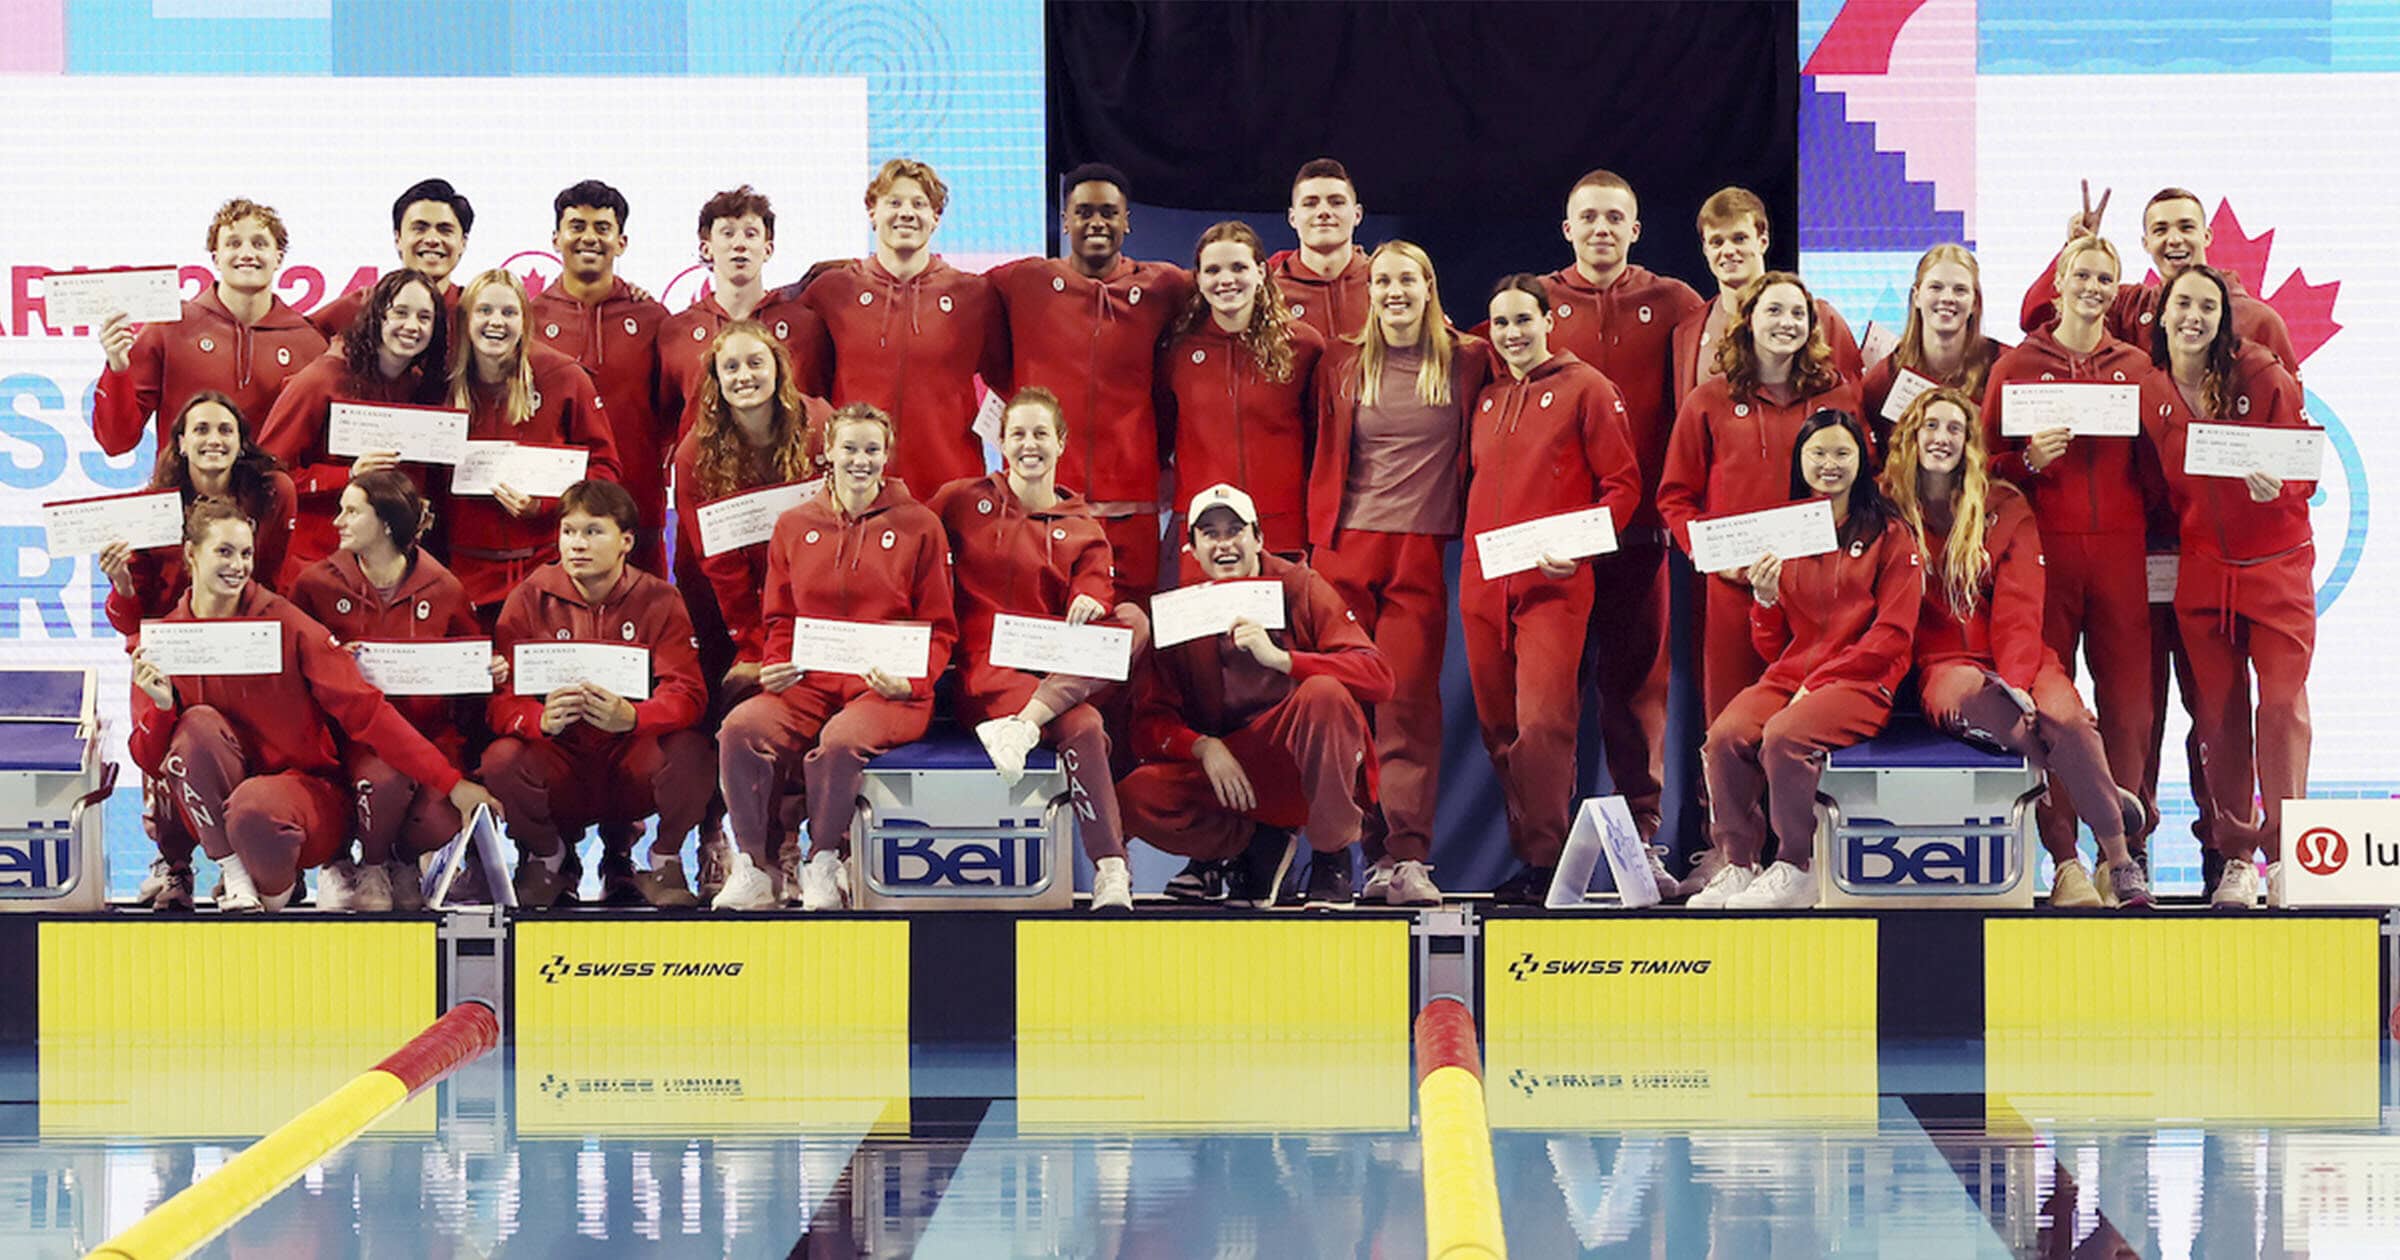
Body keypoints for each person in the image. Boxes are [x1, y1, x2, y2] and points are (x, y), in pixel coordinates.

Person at [127, 500, 502, 912]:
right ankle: (234, 875)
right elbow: (148, 759)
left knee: (255, 808)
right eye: (224, 551)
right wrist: (162, 710)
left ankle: (272, 892)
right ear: (190, 553)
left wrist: (452, 782)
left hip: (299, 800)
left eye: (247, 553)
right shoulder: (164, 641)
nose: (238, 565)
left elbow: (367, 713)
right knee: (194, 726)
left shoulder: (289, 624)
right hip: (220, 818)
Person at [1880, 388, 2151, 908]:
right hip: (1946, 667)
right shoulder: (1886, 506)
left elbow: (2020, 608)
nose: (1941, 439)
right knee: (1991, 705)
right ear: (1911, 436)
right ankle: (2100, 797)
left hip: (2019, 656)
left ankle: (2119, 860)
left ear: (1970, 443)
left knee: (2065, 720)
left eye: (1954, 429)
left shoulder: (2004, 504)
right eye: (1930, 427)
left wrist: (2021, 681)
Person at [713, 404, 956, 911]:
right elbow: (780, 616)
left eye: (872, 449)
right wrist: (776, 665)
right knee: (741, 728)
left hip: (887, 687)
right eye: (849, 448)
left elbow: (939, 628)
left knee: (839, 742)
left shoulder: (921, 526)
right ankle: (756, 867)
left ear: (887, 456)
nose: (860, 460)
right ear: (827, 452)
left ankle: (824, 860)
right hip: (808, 682)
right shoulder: (794, 524)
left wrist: (911, 682)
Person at [1307, 241, 1488, 905]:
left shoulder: (1469, 359)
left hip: (1417, 550)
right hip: (1343, 551)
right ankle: (1348, 851)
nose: (1393, 291)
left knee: (1408, 707)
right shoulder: (1341, 360)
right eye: (1381, 280)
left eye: (1406, 279)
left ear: (1428, 284)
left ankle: (1405, 857)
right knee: (1344, 712)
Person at [931, 387, 1155, 911]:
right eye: (1017, 435)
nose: (1028, 445)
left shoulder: (1083, 527)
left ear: (1061, 443)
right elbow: (909, 535)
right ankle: (1111, 862)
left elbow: (1099, 586)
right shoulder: (961, 501)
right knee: (1083, 725)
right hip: (985, 674)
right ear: (1001, 443)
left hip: (1053, 673)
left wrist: (1089, 600)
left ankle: (1110, 870)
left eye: (1040, 434)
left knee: (1132, 622)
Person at [1118, 483, 1393, 907]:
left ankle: (1331, 856)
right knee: (1137, 795)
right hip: (1239, 772)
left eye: (1235, 531)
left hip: (1309, 766)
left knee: (1325, 693)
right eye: (1210, 534)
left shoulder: (1300, 586)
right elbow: (1149, 723)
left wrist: (1285, 660)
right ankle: (1252, 845)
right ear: (1191, 548)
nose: (1225, 544)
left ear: (1259, 538)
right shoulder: (1181, 613)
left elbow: (1377, 676)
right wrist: (1203, 747)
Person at [1540, 169, 1707, 858]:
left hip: (1641, 535)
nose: (1602, 229)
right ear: (1568, 228)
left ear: (1635, 230)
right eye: (1590, 217)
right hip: (1555, 543)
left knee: (1638, 693)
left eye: (1615, 218)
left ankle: (1641, 841)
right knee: (1544, 704)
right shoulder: (1535, 303)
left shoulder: (1674, 301)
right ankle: (1543, 852)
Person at [1982, 236, 2158, 883]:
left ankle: (2127, 852)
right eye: (2081, 274)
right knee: (2051, 707)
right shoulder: (2016, 366)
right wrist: (2027, 463)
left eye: (2105, 278)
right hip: (2043, 554)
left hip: (2120, 552)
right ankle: (2063, 857)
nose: (2093, 286)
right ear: (2057, 281)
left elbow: (2159, 467)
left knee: (2131, 707)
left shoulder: (2136, 366)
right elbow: (1984, 468)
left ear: (2116, 289)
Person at [1691, 411, 1920, 909]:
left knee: (1785, 736)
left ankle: (1796, 864)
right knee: (1724, 738)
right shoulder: (1790, 529)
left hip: (1863, 681)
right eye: (1818, 453)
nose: (1830, 464)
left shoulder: (1891, 533)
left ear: (1862, 459)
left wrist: (1825, 681)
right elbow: (1775, 647)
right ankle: (1739, 863)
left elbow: (1893, 635)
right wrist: (1766, 601)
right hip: (1795, 674)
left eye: (1842, 452)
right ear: (1800, 460)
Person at [1462, 275, 1643, 903]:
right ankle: (1531, 858)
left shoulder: (1587, 388)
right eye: (1501, 324)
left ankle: (1545, 860)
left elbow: (1622, 487)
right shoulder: (1484, 398)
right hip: (1482, 584)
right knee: (1498, 728)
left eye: (1523, 321)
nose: (1512, 335)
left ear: (1548, 321)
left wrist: (1583, 548)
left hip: (1555, 585)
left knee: (1542, 724)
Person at [2140, 265, 2315, 909]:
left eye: (2206, 307)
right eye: (2181, 303)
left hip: (2276, 567)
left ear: (2222, 319)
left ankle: (2289, 853)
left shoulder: (2263, 373)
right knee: (2217, 716)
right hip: (2203, 572)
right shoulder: (2150, 388)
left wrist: (2283, 485)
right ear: (2162, 313)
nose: (2193, 316)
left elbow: (2305, 466)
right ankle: (2237, 855)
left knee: (2280, 707)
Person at [100, 393, 298, 911]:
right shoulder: (151, 505)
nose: (214, 440)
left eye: (226, 431)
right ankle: (175, 865)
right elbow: (129, 617)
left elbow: (277, 573)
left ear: (241, 441)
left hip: (249, 641)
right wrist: (122, 584)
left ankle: (250, 862)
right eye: (202, 430)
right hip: (173, 645)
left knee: (247, 750)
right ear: (180, 441)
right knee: (164, 749)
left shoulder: (272, 493)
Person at [481, 480, 713, 909]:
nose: (577, 545)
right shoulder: (529, 597)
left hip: (628, 755)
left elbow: (688, 693)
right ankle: (548, 860)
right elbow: (500, 701)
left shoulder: (660, 598)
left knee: (693, 752)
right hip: (561, 759)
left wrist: (635, 718)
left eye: (593, 532)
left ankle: (662, 860)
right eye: (568, 532)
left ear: (626, 540)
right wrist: (538, 720)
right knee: (502, 758)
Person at [667, 321, 830, 904]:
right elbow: (720, 564)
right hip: (730, 606)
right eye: (730, 367)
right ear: (713, 380)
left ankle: (805, 844)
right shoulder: (694, 454)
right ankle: (741, 841)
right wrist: (758, 646)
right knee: (740, 696)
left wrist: (801, 635)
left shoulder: (818, 428)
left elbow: (834, 536)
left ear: (779, 370)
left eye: (755, 364)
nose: (744, 377)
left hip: (814, 601)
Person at [291, 470, 503, 910]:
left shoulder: (444, 587)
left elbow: (468, 674)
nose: (337, 521)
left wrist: (491, 672)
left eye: (351, 511)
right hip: (349, 741)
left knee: (444, 816)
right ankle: (355, 865)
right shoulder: (314, 585)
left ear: (386, 523)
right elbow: (292, 678)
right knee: (380, 777)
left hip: (427, 736)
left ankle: (401, 862)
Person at [1658, 272, 1864, 723]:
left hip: (1817, 590)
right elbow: (1675, 496)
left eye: (1798, 313)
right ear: (1748, 319)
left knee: (1805, 724)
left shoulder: (1838, 396)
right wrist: (1708, 554)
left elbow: (1866, 482)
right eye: (1774, 310)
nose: (1786, 322)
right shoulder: (1707, 401)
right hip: (1735, 587)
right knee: (1731, 723)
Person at [987, 163, 1192, 591]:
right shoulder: (1024, 280)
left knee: (1130, 625)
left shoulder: (1164, 286)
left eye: (1108, 212)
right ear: (1065, 221)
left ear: (1126, 221)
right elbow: (944, 289)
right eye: (1083, 212)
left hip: (1131, 498)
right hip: (1044, 494)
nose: (1096, 222)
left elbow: (1233, 278)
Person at [801, 158, 1006, 497]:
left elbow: (1007, 385)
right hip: (858, 490)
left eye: (919, 203)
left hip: (951, 491)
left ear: (935, 217)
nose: (906, 213)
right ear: (872, 212)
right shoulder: (832, 292)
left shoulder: (974, 295)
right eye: (894, 202)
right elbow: (806, 391)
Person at [441, 267, 622, 615]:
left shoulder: (563, 376)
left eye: (509, 312)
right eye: (485, 311)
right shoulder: (441, 384)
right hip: (464, 573)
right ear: (465, 320)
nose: (497, 322)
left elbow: (606, 469)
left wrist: (547, 505)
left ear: (525, 322)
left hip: (547, 567)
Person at [91, 197, 328, 459]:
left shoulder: (311, 345)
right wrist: (117, 369)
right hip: (183, 496)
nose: (247, 253)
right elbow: (115, 441)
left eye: (259, 244)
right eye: (233, 243)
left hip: (268, 496)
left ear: (278, 258)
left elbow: (318, 452)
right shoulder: (168, 328)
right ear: (216, 258)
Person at [259, 268, 451, 574]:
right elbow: (265, 473)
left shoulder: (418, 386)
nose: (412, 326)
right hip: (317, 560)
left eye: (424, 318)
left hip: (388, 566)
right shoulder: (321, 380)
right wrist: (346, 474)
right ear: (377, 316)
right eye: (400, 312)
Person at [530, 179, 672, 576]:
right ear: (556, 238)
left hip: (640, 510)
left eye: (602, 228)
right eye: (577, 226)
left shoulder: (653, 318)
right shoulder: (527, 321)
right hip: (555, 517)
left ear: (621, 242)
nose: (589, 237)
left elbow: (676, 414)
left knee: (650, 624)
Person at [1159, 221, 1325, 550]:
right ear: (1198, 279)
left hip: (1283, 527)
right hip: (1203, 528)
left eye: (1238, 267)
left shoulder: (1304, 346)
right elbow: (1163, 430)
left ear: (1261, 272)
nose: (1226, 280)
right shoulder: (1176, 350)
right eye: (1213, 270)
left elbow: (1321, 440)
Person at [2018, 183, 2298, 371]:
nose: (2174, 239)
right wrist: (2076, 249)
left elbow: (2289, 422)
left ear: (2207, 236)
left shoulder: (2259, 321)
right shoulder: (2127, 306)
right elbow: (2037, 318)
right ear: (2146, 243)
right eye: (2161, 230)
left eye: (2186, 227)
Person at [659, 184, 832, 440]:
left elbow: (823, 408)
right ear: (706, 248)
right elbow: (665, 424)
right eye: (727, 234)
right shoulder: (676, 331)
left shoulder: (805, 325)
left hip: (791, 473)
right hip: (706, 472)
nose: (739, 244)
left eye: (751, 234)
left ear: (767, 249)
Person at [1670, 187, 1862, 403]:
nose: (1728, 250)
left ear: (1763, 241)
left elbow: (1853, 402)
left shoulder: (1820, 318)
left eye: (1739, 238)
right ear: (1705, 249)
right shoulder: (1687, 332)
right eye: (1717, 242)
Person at [1857, 243, 2008, 449]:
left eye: (1960, 290)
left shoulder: (2005, 367)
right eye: (1936, 287)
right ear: (1916, 296)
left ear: (1975, 302)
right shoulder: (1881, 381)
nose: (1947, 298)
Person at [308, 179, 474, 338]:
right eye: (420, 228)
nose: (432, 239)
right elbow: (302, 337)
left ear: (463, 243)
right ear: (398, 239)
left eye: (445, 230)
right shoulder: (362, 306)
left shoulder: (476, 312)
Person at [1269, 158, 1371, 343]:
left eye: (1337, 202)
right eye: (1310, 203)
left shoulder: (1385, 282)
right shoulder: (1267, 291)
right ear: (1293, 218)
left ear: (1357, 215)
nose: (1323, 211)